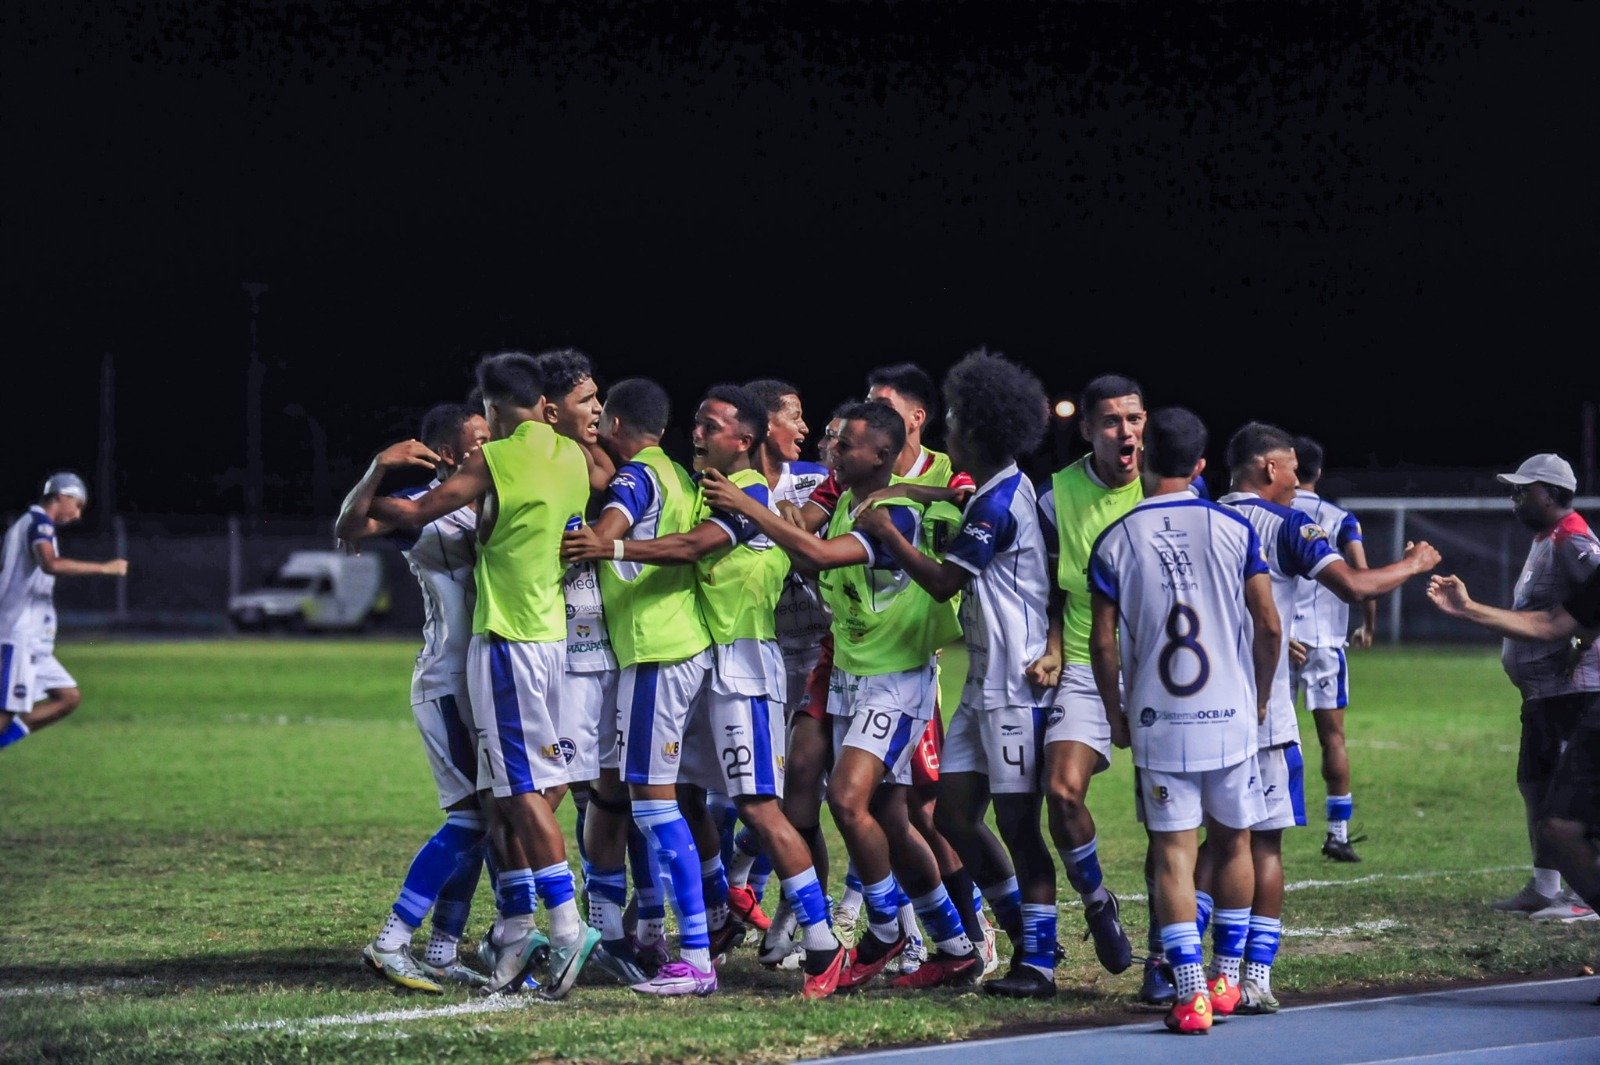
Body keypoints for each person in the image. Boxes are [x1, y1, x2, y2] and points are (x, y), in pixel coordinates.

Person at [564, 384, 847, 998]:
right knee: (676, 797)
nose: (696, 433)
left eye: (709, 426)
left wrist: (610, 545)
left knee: (757, 808)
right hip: (712, 666)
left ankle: (821, 942)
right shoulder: (706, 486)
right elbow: (631, 471)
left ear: (742, 440)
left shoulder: (746, 495)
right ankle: (706, 924)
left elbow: (694, 547)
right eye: (695, 422)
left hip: (744, 666)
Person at [702, 400, 982, 990]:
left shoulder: (892, 515)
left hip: (896, 679)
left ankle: (884, 926)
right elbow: (816, 551)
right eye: (830, 439)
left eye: (844, 443)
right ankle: (955, 943)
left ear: (881, 453)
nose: (831, 450)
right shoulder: (853, 505)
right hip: (852, 673)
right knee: (888, 815)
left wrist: (750, 508)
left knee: (849, 801)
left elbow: (822, 556)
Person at [366, 351, 602, 999]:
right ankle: (515, 931)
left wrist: (376, 479)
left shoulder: (493, 460)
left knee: (517, 791)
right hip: (557, 641)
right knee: (518, 793)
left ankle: (565, 923)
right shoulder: (574, 459)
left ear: (493, 409)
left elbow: (416, 512)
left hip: (506, 643)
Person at [1208, 421, 1441, 1014]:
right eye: (1289, 468)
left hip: (1201, 712)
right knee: (1264, 846)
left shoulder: (1200, 517)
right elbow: (1356, 584)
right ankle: (1253, 977)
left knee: (1206, 845)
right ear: (1269, 469)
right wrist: (1414, 563)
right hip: (1263, 715)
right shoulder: (1288, 524)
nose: (1296, 479)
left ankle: (1193, 969)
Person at [852, 350, 1064, 998]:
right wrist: (901, 495)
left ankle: (1041, 957)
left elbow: (945, 579)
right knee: (953, 817)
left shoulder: (997, 505)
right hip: (980, 682)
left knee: (1020, 826)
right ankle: (1013, 933)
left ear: (983, 428)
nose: (949, 429)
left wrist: (889, 530)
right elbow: (954, 503)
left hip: (1012, 687)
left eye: (957, 419)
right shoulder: (995, 487)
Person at [1088, 406, 1279, 1035]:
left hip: (1159, 718)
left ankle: (1191, 995)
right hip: (1230, 714)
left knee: (1172, 853)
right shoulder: (1232, 526)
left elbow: (1104, 641)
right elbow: (1269, 623)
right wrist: (1258, 696)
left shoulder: (1114, 538)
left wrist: (1115, 714)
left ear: (1142, 457)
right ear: (1201, 466)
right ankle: (1227, 979)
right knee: (1234, 842)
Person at [335, 403, 496, 993]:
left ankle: (444, 947)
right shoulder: (427, 511)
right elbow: (350, 525)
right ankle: (392, 940)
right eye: (481, 439)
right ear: (451, 455)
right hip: (446, 679)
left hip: (487, 678)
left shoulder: (502, 500)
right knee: (472, 816)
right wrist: (378, 467)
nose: (493, 445)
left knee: (487, 818)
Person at [578, 377, 721, 995]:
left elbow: (614, 514)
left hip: (657, 650)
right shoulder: (676, 474)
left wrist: (600, 540)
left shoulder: (636, 478)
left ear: (614, 422)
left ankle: (696, 958)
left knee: (656, 806)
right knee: (641, 801)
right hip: (668, 647)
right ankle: (647, 937)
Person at [1033, 374, 1148, 999]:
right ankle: (1098, 900)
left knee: (1175, 816)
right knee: (1061, 789)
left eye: (1133, 419)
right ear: (1088, 430)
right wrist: (1053, 648)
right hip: (1083, 662)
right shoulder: (1056, 497)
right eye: (1111, 421)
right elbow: (1049, 589)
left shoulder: (1170, 486)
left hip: (1163, 671)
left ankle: (1170, 951)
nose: (1125, 432)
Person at [1427, 568, 1600, 925]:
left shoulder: (1572, 538)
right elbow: (1553, 624)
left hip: (1578, 696)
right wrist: (1467, 608)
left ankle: (1578, 899)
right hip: (1564, 704)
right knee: (1558, 826)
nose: (1516, 507)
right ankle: (1565, 892)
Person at [1473, 454, 1599, 921]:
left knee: (1574, 798)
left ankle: (1587, 898)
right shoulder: (1546, 538)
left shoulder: (1573, 540)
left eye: (1524, 489)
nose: (1516, 496)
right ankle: (1546, 886)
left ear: (1550, 493)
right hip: (1545, 693)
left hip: (1578, 692)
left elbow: (1594, 602)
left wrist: (1580, 644)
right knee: (1535, 783)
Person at [1287, 437, 1378, 863]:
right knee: (1333, 738)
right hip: (1325, 642)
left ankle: (1264, 829)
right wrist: (1369, 625)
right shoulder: (1340, 519)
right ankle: (1337, 834)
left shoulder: (1272, 513)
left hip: (1280, 640)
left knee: (1269, 738)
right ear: (1318, 473)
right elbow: (1362, 576)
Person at [0, 473, 128, 752]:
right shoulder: (38, 522)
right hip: (17, 636)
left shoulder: (33, 525)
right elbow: (51, 564)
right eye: (78, 505)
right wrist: (103, 568)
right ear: (62, 496)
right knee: (5, 712)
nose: (78, 514)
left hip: (34, 642)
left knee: (67, 697)